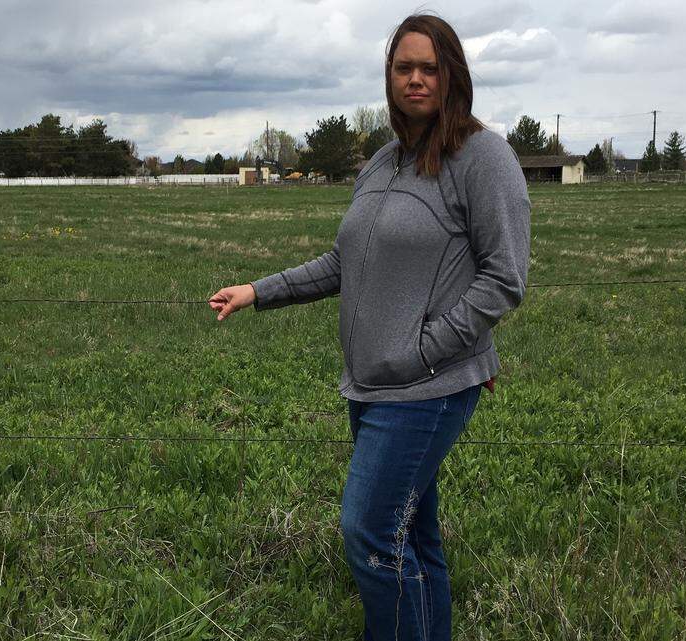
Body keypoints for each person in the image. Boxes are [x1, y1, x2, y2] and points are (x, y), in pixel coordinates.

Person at [207, 13, 530, 640]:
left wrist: (422, 350)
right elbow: (343, 263)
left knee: (370, 530)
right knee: (411, 532)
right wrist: (257, 291)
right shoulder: (382, 164)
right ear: (389, 76)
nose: (415, 79)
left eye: (429, 68)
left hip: (427, 388)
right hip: (371, 384)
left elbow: (504, 278)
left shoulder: (483, 157)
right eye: (403, 67)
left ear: (452, 76)